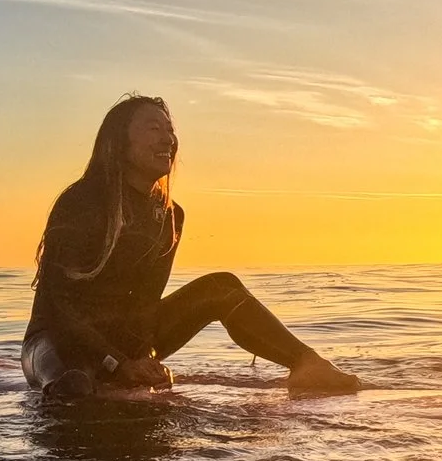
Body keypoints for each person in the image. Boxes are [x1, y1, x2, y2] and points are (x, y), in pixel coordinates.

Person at [22, 96, 362, 400]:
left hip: (123, 340)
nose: (168, 139)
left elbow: (145, 304)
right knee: (75, 387)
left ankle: (306, 363)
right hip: (59, 341)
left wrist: (143, 358)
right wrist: (116, 364)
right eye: (154, 128)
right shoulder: (81, 202)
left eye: (170, 130)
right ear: (119, 142)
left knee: (222, 288)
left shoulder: (169, 215)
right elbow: (59, 308)